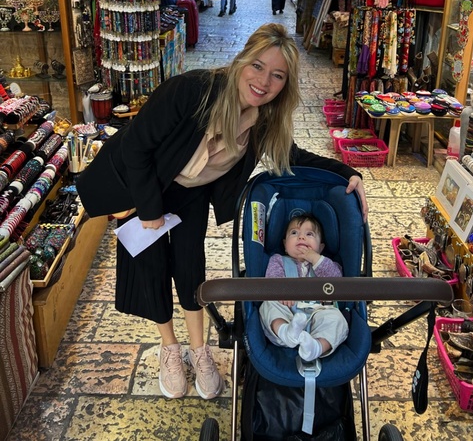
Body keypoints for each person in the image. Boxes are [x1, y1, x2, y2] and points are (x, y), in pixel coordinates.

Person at [75, 23, 367, 403]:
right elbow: (135, 147)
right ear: (242, 60)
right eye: (258, 66)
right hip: (144, 186)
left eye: (277, 75)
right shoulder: (190, 91)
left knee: (190, 265)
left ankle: (199, 349)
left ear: (285, 84)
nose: (264, 81)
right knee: (150, 267)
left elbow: (292, 156)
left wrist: (347, 172)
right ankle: (170, 348)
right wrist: (148, 209)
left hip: (191, 191)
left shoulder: (264, 118)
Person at [259, 214, 349, 361]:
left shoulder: (326, 264)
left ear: (321, 247)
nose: (301, 237)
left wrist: (315, 258)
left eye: (309, 234)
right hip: (287, 310)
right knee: (268, 305)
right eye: (294, 233)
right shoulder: (278, 261)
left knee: (337, 320)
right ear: (285, 244)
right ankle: (285, 332)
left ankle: (316, 347)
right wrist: (282, 291)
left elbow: (337, 282)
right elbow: (272, 281)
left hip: (319, 312)